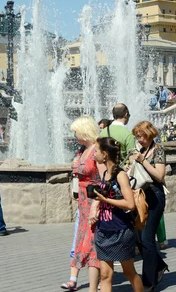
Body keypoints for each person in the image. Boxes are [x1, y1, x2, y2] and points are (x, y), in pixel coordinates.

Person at [90, 137, 144, 292]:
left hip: (120, 230)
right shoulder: (105, 173)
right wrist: (97, 205)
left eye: (97, 151)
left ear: (105, 154)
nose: (94, 154)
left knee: (129, 272)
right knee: (105, 276)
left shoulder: (120, 175)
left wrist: (105, 199)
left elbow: (130, 204)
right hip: (104, 229)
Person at [61, 116, 103, 292]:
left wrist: (97, 203)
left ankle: (98, 282)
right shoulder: (82, 150)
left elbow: (103, 179)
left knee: (93, 242)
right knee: (81, 239)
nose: (74, 135)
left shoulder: (96, 151)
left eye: (76, 132)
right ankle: (74, 278)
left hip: (94, 201)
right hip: (84, 202)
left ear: (85, 132)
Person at [129, 121, 168, 290]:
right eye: (137, 137)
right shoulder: (141, 150)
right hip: (141, 197)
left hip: (154, 196)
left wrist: (143, 160)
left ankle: (148, 282)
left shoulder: (158, 149)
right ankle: (158, 266)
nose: (139, 140)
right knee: (138, 238)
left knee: (147, 239)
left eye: (141, 136)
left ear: (149, 134)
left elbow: (159, 176)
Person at [100, 104, 136, 168]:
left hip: (107, 170)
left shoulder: (103, 132)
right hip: (122, 171)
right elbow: (133, 157)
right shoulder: (128, 134)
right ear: (126, 115)